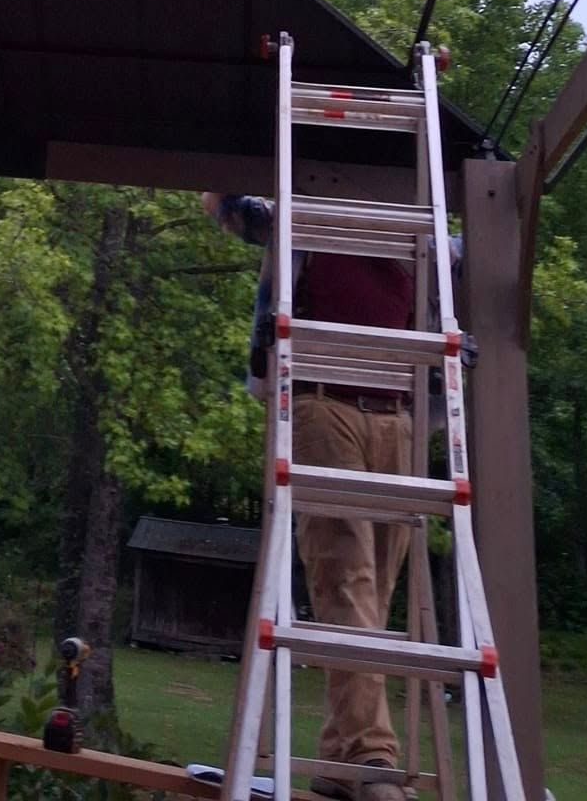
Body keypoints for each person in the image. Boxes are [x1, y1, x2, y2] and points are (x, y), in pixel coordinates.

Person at [203, 190, 461, 801]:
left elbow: (458, 263)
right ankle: (374, 759)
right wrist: (232, 200)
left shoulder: (416, 213)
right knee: (347, 583)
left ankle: (340, 759)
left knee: (376, 593)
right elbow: (232, 207)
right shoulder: (306, 193)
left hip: (398, 413)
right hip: (323, 403)